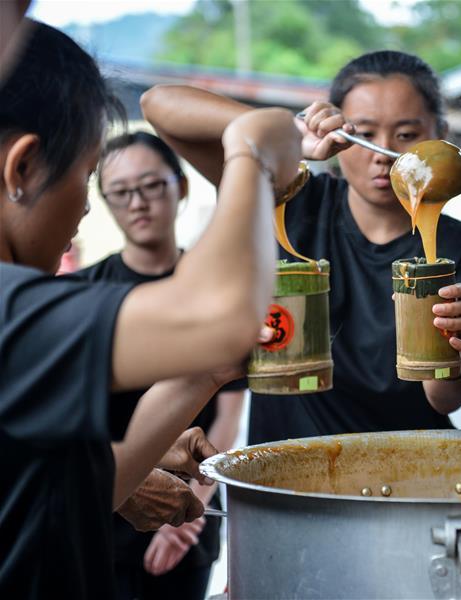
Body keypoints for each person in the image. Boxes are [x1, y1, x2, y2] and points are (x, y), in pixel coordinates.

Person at [0, 21, 301, 598]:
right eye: (87, 178)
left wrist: (203, 379)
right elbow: (221, 316)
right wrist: (251, 154)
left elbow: (58, 498)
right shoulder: (15, 308)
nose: (86, 211)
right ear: (23, 169)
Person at [141, 50, 461, 442]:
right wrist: (290, 133)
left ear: (439, 134)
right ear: (336, 135)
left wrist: (454, 345)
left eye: (406, 135)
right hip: (285, 468)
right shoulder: (287, 198)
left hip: (409, 471)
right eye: (362, 134)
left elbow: (445, 399)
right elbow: (158, 103)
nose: (383, 153)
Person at [76, 132, 245, 599]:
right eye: (121, 192)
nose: (139, 203)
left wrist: (193, 510)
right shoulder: (84, 293)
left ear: (181, 187)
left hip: (192, 501)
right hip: (100, 509)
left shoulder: (215, 289)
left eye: (151, 185)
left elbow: (228, 413)